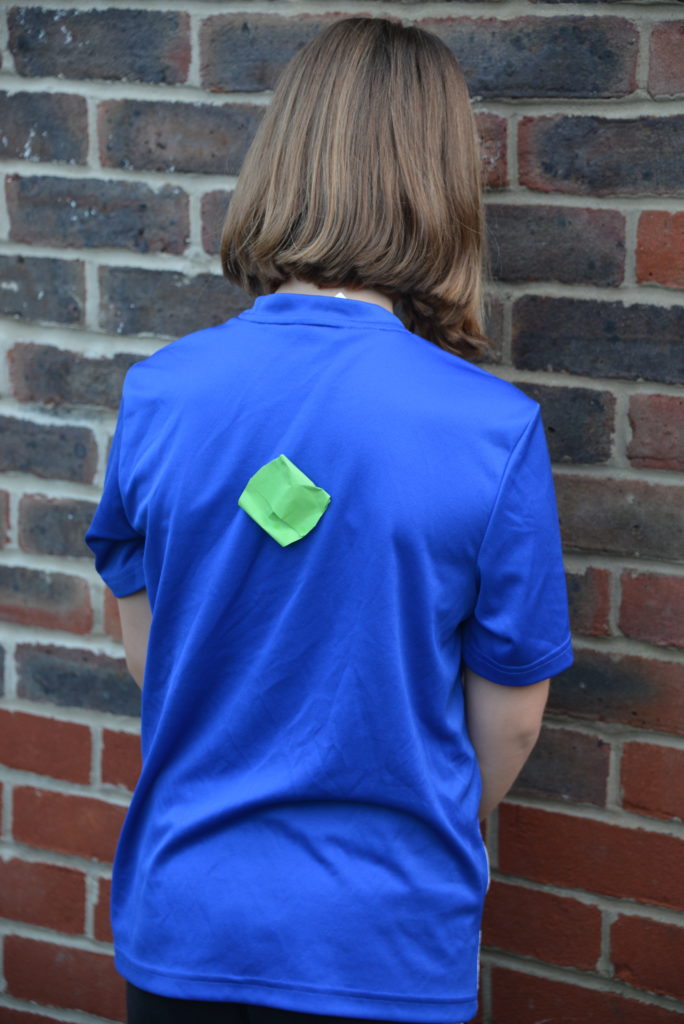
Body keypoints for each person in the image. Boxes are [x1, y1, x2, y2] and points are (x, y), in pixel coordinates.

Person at [84, 16, 573, 1024]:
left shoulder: (162, 392)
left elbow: (151, 653)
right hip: (385, 940)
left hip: (188, 927)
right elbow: (513, 718)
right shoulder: (492, 429)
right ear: (439, 182)